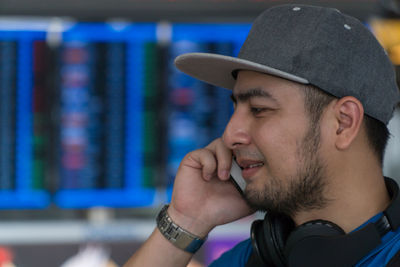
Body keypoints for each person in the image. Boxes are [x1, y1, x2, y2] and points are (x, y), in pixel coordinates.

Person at [124, 4, 400, 267]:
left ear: (343, 123)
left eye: (259, 109)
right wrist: (186, 221)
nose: (230, 134)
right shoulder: (256, 258)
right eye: (236, 107)